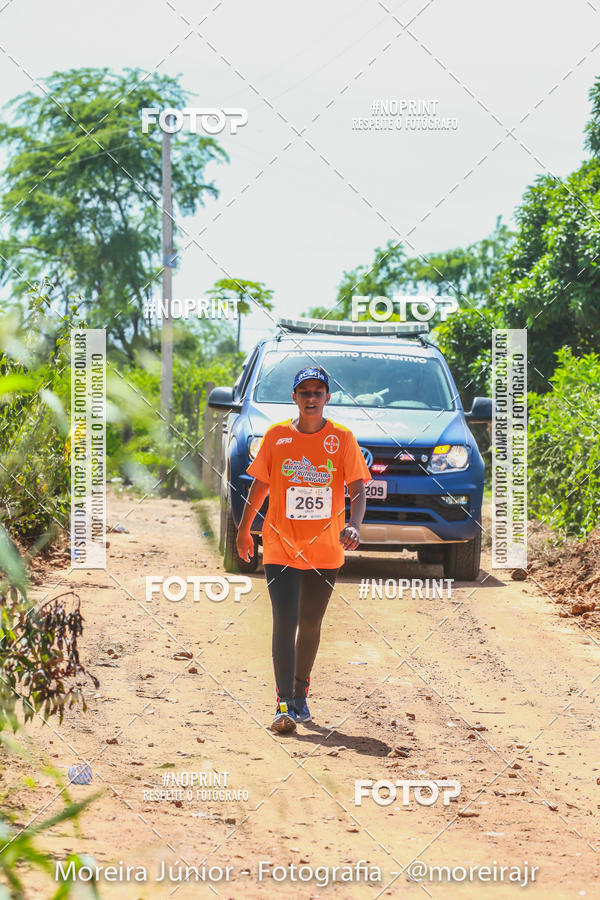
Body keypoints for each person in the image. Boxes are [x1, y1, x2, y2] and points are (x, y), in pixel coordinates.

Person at [236, 365, 371, 734]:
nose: (311, 398)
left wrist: (354, 525)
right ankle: (282, 703)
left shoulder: (342, 439)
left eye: (318, 392)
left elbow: (357, 488)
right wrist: (244, 530)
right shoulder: (277, 436)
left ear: (327, 397)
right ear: (294, 397)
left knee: (310, 622)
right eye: (304, 392)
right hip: (280, 543)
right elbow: (260, 486)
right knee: (286, 619)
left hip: (326, 548)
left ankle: (299, 695)